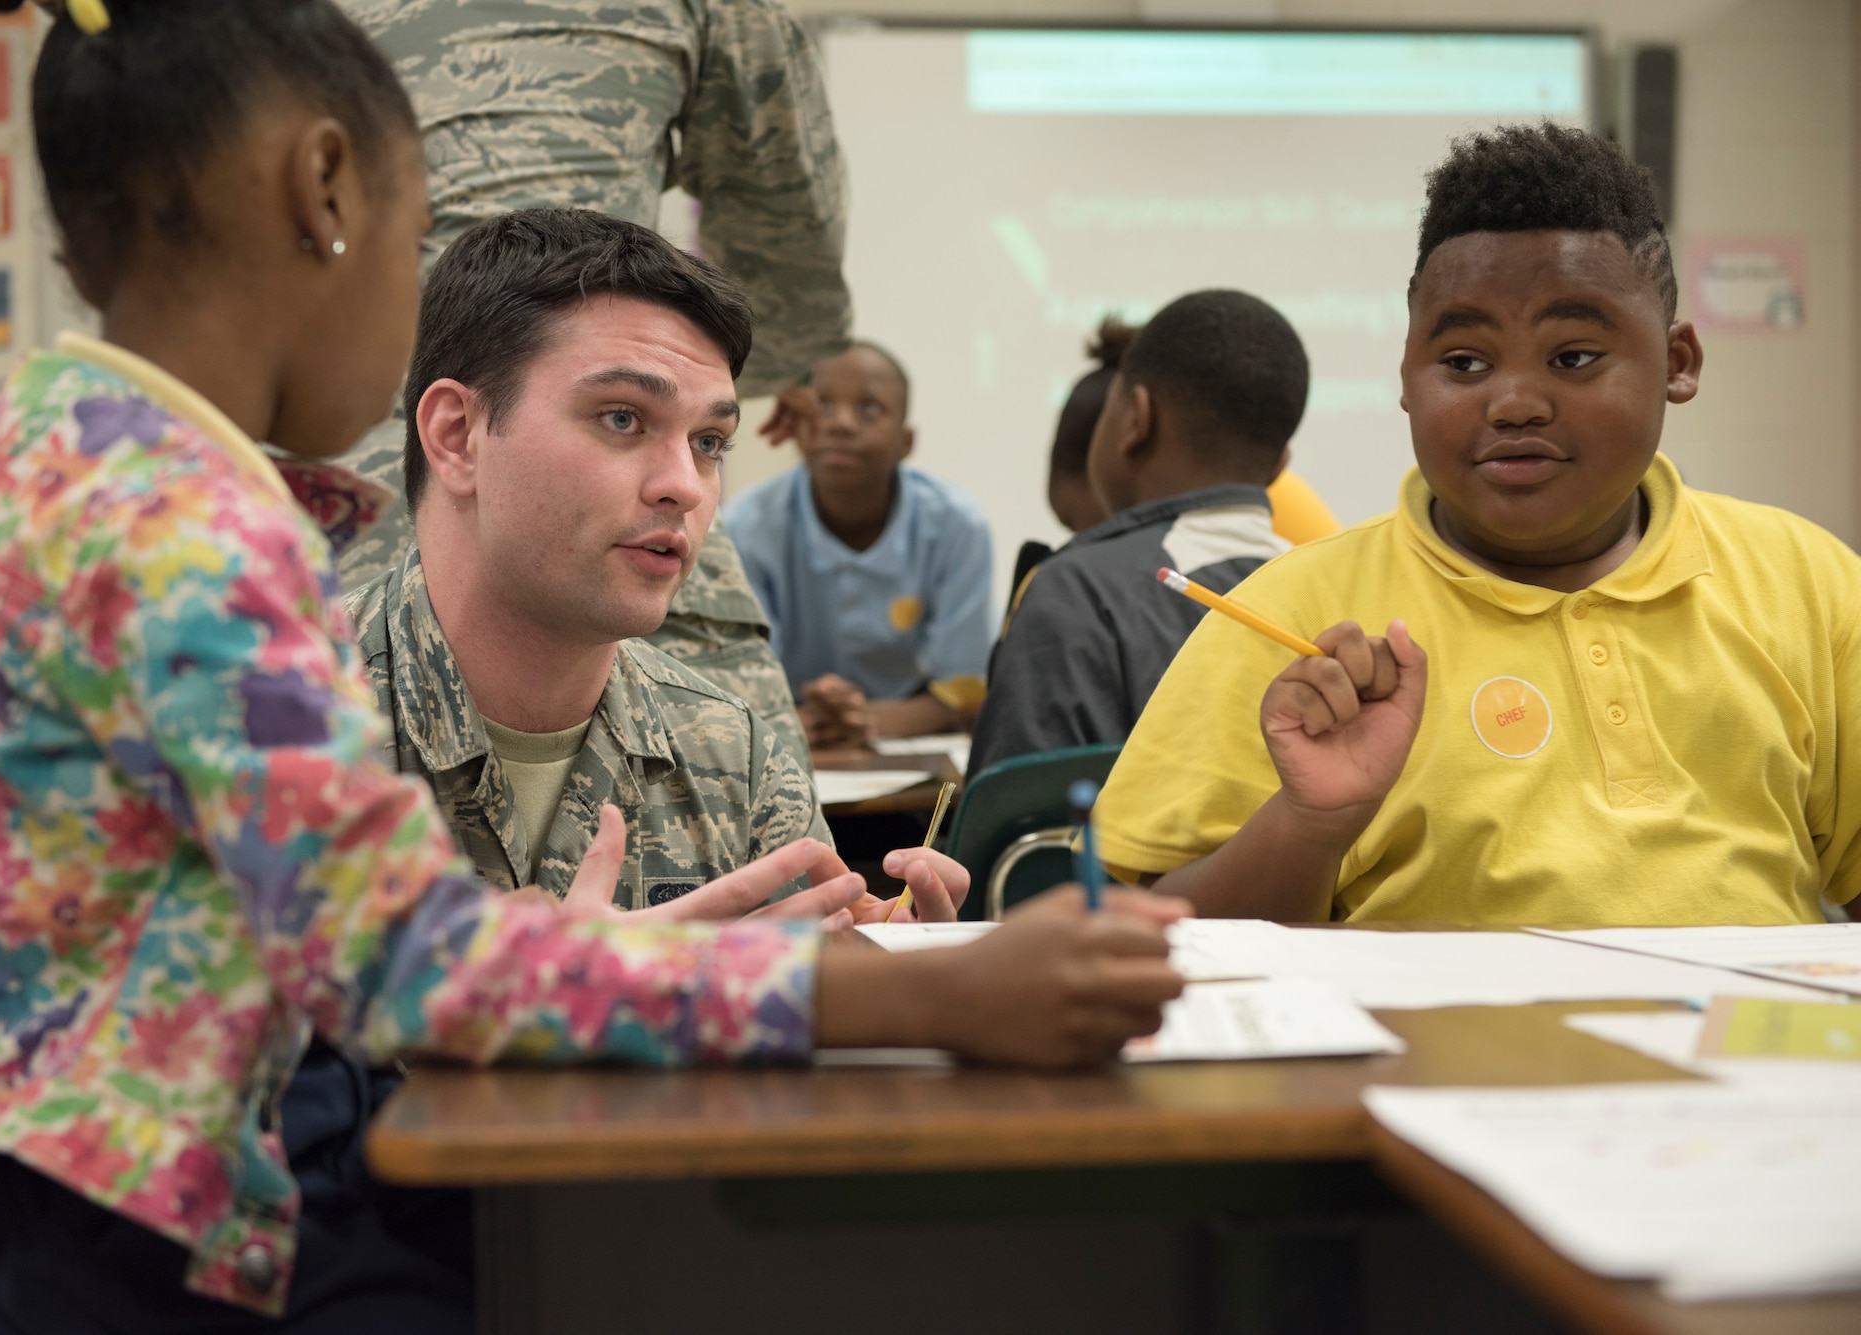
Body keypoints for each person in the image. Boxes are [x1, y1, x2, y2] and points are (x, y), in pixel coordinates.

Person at [0, 5, 1189, 1331]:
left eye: (706, 438)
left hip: (63, 1200)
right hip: (151, 1246)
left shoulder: (51, 448)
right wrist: (943, 988)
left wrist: (609, 959)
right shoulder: (186, 533)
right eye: (414, 232)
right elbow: (409, 963)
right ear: (323, 188)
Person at [1094, 121, 1861, 928]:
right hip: (1423, 1058)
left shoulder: (1810, 584)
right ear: (1406, 379)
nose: (1514, 401)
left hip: (1755, 1051)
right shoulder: (1292, 617)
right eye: (1464, 362)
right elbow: (1153, 943)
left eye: (1573, 356)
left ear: (1677, 364)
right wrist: (1308, 822)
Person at [350, 207, 971, 917]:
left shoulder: (734, 757)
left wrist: (889, 983)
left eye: (709, 441)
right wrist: (614, 999)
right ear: (458, 436)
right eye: (623, 418)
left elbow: (823, 976)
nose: (683, 484)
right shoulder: (282, 712)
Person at [333, 0, 850, 769]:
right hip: (577, 425)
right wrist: (700, 378)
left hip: (352, 478)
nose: (689, 480)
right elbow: (787, 229)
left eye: (713, 441)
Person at [970, 291, 1310, 777]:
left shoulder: (1077, 593)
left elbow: (1018, 843)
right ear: (1279, 465)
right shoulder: (1340, 591)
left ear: (1135, 419)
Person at [728, 341, 996, 747]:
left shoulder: (957, 527)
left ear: (906, 442)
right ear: (797, 425)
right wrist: (807, 721)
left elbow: (961, 697)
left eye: (869, 408)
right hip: (790, 736)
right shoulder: (745, 526)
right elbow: (737, 691)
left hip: (908, 747)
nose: (841, 424)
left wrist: (864, 721)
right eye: (823, 405)